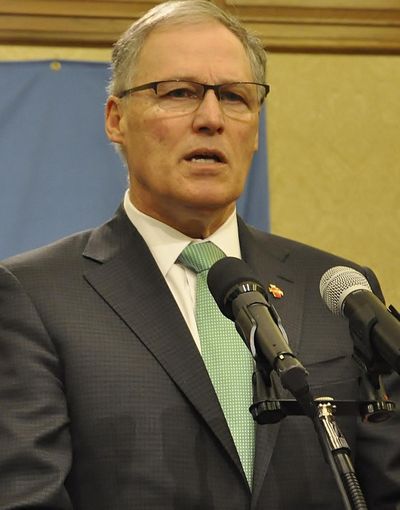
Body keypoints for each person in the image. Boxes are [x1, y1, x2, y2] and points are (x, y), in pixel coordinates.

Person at [0, 1, 399, 508]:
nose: (211, 118)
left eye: (234, 96)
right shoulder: (36, 297)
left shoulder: (337, 290)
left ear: (255, 126)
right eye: (179, 93)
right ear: (116, 119)